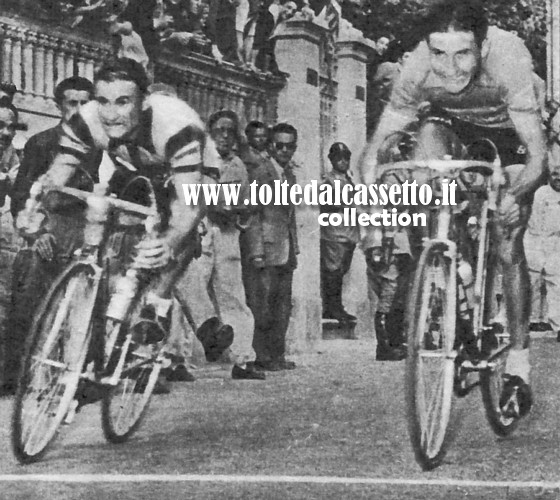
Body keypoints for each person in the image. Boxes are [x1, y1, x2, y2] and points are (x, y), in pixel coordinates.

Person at [359, 0, 546, 418]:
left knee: (508, 241)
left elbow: (538, 161)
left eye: (463, 53)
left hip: (508, 130)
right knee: (425, 170)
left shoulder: (510, 58)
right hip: (446, 121)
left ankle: (518, 362)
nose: (450, 67)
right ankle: (448, 263)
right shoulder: (416, 68)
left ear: (482, 46)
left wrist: (514, 196)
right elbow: (374, 150)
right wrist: (371, 207)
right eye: (439, 53)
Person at [17, 58, 230, 393]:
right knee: (120, 223)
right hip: (136, 161)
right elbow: (57, 174)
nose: (111, 114)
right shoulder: (87, 120)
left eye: (123, 102)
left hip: (193, 170)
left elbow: (190, 206)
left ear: (143, 102)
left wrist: (171, 241)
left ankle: (155, 306)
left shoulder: (174, 126)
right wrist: (35, 208)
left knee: (176, 235)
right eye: (103, 101)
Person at [2, 77, 94, 397]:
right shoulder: (41, 144)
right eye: (72, 103)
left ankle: (82, 377)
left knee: (88, 303)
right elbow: (22, 196)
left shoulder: (100, 147)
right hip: (48, 227)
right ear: (59, 106)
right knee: (28, 297)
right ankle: (14, 376)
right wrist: (36, 232)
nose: (79, 110)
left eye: (85, 103)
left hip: (86, 230)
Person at [177, 110, 265, 380]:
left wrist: (237, 211)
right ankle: (176, 359)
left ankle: (243, 358)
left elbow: (248, 203)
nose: (225, 137)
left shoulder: (238, 165)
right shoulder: (196, 159)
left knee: (232, 294)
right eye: (219, 131)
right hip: (200, 231)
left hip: (227, 234)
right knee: (190, 293)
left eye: (230, 131)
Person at [245, 122, 298, 371]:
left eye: (290, 146)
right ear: (271, 146)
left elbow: (290, 216)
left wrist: (294, 246)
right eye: (280, 145)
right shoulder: (260, 172)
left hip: (285, 250)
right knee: (263, 304)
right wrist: (256, 252)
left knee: (283, 305)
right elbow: (253, 214)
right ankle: (262, 355)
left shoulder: (289, 175)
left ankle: (278, 355)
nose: (285, 151)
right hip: (264, 249)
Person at [524, 143, 560, 341]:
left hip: (556, 243)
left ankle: (558, 323)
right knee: (531, 280)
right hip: (534, 239)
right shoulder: (539, 192)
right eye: (555, 173)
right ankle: (530, 318)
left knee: (557, 282)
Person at [320, 142, 358, 323]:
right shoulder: (328, 180)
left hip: (349, 232)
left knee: (342, 269)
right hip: (335, 231)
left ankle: (337, 306)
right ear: (332, 159)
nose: (343, 162)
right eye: (338, 158)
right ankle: (333, 308)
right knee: (333, 271)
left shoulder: (349, 178)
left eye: (346, 158)